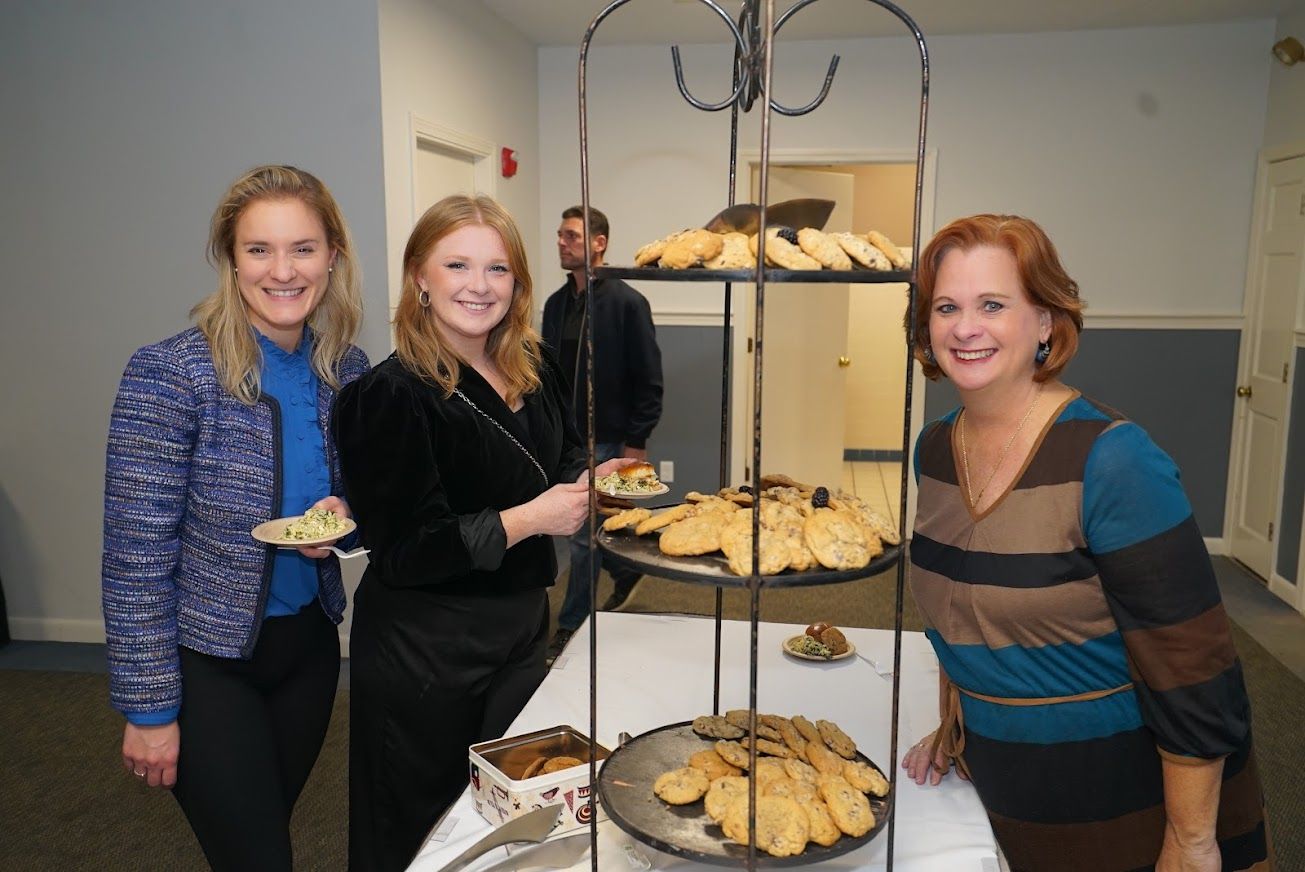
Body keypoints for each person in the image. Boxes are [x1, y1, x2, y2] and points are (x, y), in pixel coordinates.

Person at [899, 214, 1270, 871]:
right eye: (945, 306)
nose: (964, 327)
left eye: (992, 304)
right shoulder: (934, 448)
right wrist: (956, 722)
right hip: (1002, 791)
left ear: (1043, 321)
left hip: (1127, 808)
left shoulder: (1111, 458)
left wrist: (1189, 841)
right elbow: (963, 610)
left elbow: (1192, 666)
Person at [333, 194, 631, 871]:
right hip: (425, 649)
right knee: (417, 829)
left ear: (519, 282)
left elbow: (558, 463)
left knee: (518, 821)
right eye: (457, 265)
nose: (479, 285)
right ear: (419, 277)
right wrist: (534, 518)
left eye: (497, 269)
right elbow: (407, 551)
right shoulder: (389, 395)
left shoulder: (535, 363)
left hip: (522, 628)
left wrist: (594, 479)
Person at [102, 165, 370, 871]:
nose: (282, 271)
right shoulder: (170, 373)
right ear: (230, 258)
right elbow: (136, 555)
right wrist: (149, 707)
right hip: (207, 665)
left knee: (261, 838)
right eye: (259, 250)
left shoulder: (348, 369)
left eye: (303, 248)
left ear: (333, 255)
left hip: (308, 653)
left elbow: (368, 501)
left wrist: (346, 517)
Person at [542, 205, 664, 661]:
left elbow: (649, 378)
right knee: (593, 528)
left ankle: (571, 624)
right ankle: (627, 570)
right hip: (568, 442)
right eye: (560, 235)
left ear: (599, 243)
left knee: (580, 534)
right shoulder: (556, 306)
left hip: (612, 438)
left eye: (572, 236)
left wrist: (637, 441)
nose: (562, 242)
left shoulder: (628, 303)